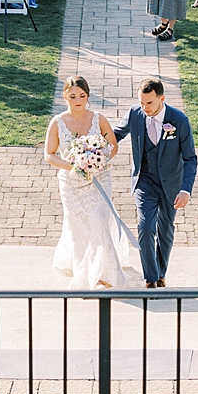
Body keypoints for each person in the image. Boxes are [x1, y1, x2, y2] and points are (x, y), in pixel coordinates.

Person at [44, 76, 139, 289]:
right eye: (72, 96)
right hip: (71, 184)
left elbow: (113, 146)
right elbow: (49, 155)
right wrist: (75, 165)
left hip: (100, 178)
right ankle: (83, 270)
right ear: (65, 96)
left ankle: (107, 274)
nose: (78, 100)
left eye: (82, 96)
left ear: (88, 96)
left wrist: (98, 160)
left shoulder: (99, 119)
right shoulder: (57, 122)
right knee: (78, 227)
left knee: (99, 220)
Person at [122, 78, 195, 288]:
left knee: (165, 229)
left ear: (161, 98)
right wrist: (91, 148)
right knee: (145, 227)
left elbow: (191, 158)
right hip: (144, 181)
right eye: (142, 102)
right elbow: (115, 135)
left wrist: (185, 189)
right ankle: (151, 278)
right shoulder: (135, 114)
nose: (144, 108)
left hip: (172, 184)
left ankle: (161, 272)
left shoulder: (179, 120)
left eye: (149, 103)